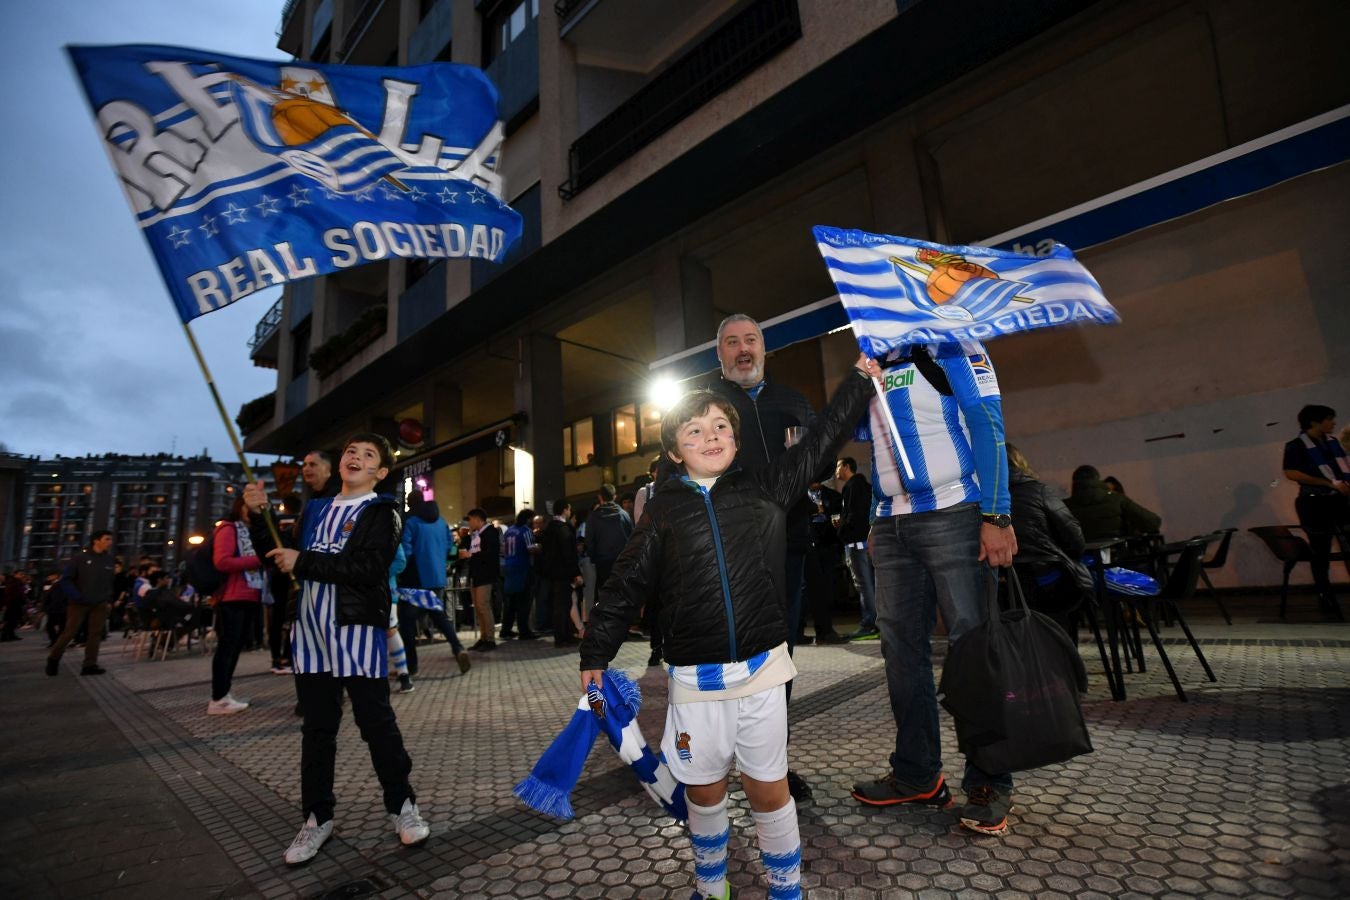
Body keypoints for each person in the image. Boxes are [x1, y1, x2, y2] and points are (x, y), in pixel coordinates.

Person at [581, 355, 879, 900]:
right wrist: (594, 655)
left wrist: (858, 379)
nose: (711, 435)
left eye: (721, 426)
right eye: (694, 430)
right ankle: (711, 885)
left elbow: (819, 442)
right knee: (704, 791)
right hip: (694, 682)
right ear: (675, 451)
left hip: (763, 675)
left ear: (736, 441)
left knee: (769, 789)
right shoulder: (664, 510)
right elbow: (624, 585)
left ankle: (786, 887)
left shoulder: (766, 487)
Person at [849, 341, 1019, 837]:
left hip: (956, 515)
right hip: (893, 525)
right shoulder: (877, 360)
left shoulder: (956, 348)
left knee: (973, 649)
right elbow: (862, 434)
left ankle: (989, 779)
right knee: (900, 652)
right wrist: (860, 381)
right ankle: (917, 773)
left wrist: (996, 513)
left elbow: (988, 427)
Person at [245, 433, 430, 865]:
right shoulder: (315, 509)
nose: (355, 457)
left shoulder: (384, 511)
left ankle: (402, 807)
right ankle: (316, 818)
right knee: (317, 729)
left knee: (376, 723)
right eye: (350, 451)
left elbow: (368, 569)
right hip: (310, 633)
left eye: (368, 456)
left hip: (357, 631)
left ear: (380, 473)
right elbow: (276, 555)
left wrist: (304, 561)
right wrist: (257, 518)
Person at [707, 313, 819, 803]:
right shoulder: (704, 407)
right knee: (724, 658)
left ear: (764, 349)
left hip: (786, 549)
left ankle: (772, 766)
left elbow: (816, 462)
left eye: (750, 340)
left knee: (778, 660)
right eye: (732, 342)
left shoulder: (793, 401)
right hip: (723, 555)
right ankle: (712, 764)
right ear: (720, 355)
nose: (743, 349)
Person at [1006, 444, 1087, 643]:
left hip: (1005, 587)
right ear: (1019, 463)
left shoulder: (978, 501)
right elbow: (1074, 538)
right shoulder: (1039, 491)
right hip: (1047, 581)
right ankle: (1064, 662)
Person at [1282, 404, 1350, 617]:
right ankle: (1325, 597)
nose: (1333, 423)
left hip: (1339, 501)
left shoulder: (1333, 443)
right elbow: (1291, 473)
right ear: (1314, 422)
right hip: (1314, 502)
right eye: (1329, 419)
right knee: (1321, 551)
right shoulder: (1296, 446)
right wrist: (1328, 483)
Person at [208, 496, 266, 715]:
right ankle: (218, 697)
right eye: (249, 506)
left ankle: (224, 694)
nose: (253, 510)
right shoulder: (229, 528)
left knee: (235, 647)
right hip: (232, 596)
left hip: (250, 594)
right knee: (227, 647)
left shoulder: (250, 531)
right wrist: (257, 560)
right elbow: (221, 561)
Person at [399, 497, 471, 674]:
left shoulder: (411, 523)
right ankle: (458, 647)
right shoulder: (442, 523)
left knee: (406, 623)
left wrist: (401, 572)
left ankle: (411, 665)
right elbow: (450, 547)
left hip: (416, 580)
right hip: (437, 579)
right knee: (439, 616)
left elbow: (406, 551)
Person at [46, 530, 116, 676]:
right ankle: (53, 658)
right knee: (69, 632)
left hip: (100, 603)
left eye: (110, 539)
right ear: (96, 541)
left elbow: (109, 582)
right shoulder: (80, 558)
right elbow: (66, 580)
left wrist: (108, 599)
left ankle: (89, 665)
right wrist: (76, 596)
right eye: (107, 539)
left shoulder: (109, 560)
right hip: (79, 603)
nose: (110, 542)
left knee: (95, 634)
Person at [835, 457, 878, 640]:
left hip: (856, 543)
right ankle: (876, 622)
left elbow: (854, 515)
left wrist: (842, 530)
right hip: (866, 541)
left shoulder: (852, 487)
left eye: (838, 466)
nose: (836, 471)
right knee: (871, 583)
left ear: (846, 467)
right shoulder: (865, 486)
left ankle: (869, 624)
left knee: (863, 585)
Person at [802, 480, 848, 644]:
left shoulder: (832, 496)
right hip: (805, 545)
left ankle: (823, 631)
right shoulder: (800, 494)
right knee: (807, 591)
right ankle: (808, 632)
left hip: (826, 546)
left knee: (824, 589)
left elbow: (839, 515)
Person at [1064, 464, 1161, 542]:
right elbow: (1152, 522)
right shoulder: (1117, 499)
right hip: (1118, 556)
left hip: (1081, 560)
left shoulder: (1063, 507)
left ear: (1074, 484)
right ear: (1097, 479)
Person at [538, 500, 583, 647]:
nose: (570, 511)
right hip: (563, 573)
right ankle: (562, 637)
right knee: (563, 605)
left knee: (561, 604)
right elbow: (568, 553)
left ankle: (565, 635)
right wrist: (575, 572)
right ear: (565, 510)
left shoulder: (549, 527)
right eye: (569, 508)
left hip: (551, 573)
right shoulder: (563, 528)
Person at [459, 508, 501, 650]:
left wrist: (471, 556)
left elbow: (490, 555)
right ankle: (483, 638)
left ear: (477, 519)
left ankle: (490, 639)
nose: (469, 523)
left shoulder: (491, 533)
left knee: (483, 605)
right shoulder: (476, 535)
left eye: (470, 520)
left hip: (486, 575)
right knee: (478, 607)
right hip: (476, 574)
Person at [586, 484, 633, 600]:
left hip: (602, 563)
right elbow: (632, 538)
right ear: (615, 496)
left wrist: (593, 558)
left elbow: (589, 541)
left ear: (600, 497)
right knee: (621, 594)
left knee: (604, 595)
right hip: (621, 562)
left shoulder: (593, 517)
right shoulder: (624, 515)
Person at [500, 508, 538, 640]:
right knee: (524, 601)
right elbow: (531, 549)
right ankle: (524, 631)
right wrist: (540, 546)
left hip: (509, 567)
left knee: (510, 601)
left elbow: (504, 549)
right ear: (528, 519)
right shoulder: (526, 531)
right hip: (522, 568)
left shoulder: (509, 531)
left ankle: (506, 629)